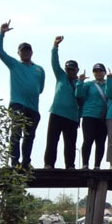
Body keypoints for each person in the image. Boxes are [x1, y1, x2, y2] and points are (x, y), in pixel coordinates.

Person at [0, 20, 45, 169]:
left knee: (29, 137)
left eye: (28, 50)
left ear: (31, 52)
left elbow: (40, 88)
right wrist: (1, 33)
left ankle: (25, 162)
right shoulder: (14, 64)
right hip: (17, 103)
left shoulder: (39, 69)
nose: (25, 53)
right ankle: (14, 162)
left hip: (33, 107)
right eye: (23, 51)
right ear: (19, 53)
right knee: (16, 132)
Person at [44, 35, 79, 169]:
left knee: (70, 143)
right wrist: (55, 46)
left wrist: (79, 118)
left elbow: (81, 99)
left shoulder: (80, 83)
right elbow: (54, 62)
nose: (70, 71)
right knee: (52, 140)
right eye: (68, 69)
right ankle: (48, 164)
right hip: (56, 113)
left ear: (77, 70)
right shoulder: (61, 77)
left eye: (72, 69)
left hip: (72, 116)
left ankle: (70, 165)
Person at [75, 63, 109, 169]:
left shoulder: (109, 84)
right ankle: (85, 164)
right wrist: (80, 82)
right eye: (96, 71)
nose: (98, 73)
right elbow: (78, 94)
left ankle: (97, 165)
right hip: (89, 115)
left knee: (101, 142)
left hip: (103, 116)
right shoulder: (89, 84)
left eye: (100, 71)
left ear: (104, 72)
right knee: (88, 140)